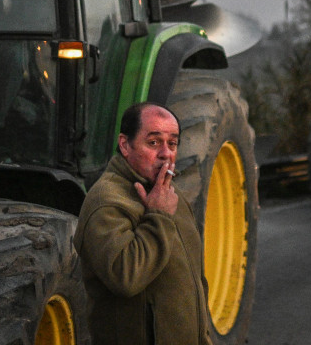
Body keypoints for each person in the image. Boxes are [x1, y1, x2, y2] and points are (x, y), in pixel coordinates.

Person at [74, 102, 213, 345]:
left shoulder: (170, 196)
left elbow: (195, 286)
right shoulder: (106, 202)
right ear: (125, 145)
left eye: (172, 143)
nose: (166, 153)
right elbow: (125, 277)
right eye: (154, 142)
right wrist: (158, 217)